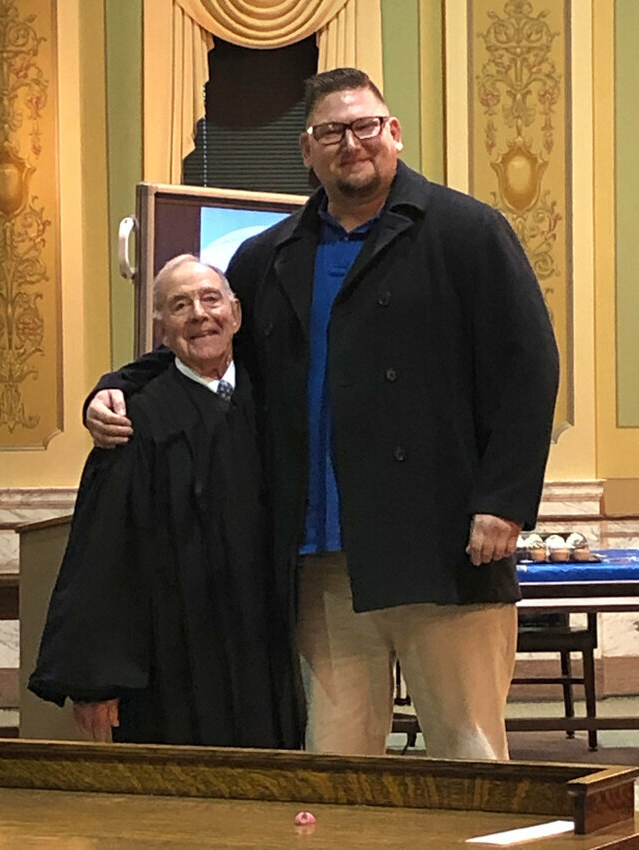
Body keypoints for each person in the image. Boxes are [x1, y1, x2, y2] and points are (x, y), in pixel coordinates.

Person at [84, 68, 559, 760]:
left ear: (393, 133)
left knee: (471, 758)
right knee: (332, 766)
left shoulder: (467, 231)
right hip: (319, 562)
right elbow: (207, 342)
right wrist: (112, 387)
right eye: (331, 132)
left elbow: (530, 366)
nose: (351, 143)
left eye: (365, 126)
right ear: (307, 151)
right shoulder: (267, 256)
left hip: (445, 547)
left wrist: (503, 502)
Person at [30, 255, 301, 748]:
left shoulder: (273, 401)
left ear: (236, 315)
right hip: (173, 662)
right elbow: (104, 555)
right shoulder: (134, 423)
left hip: (267, 653)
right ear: (161, 329)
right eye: (180, 305)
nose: (200, 314)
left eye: (211, 299)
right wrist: (97, 681)